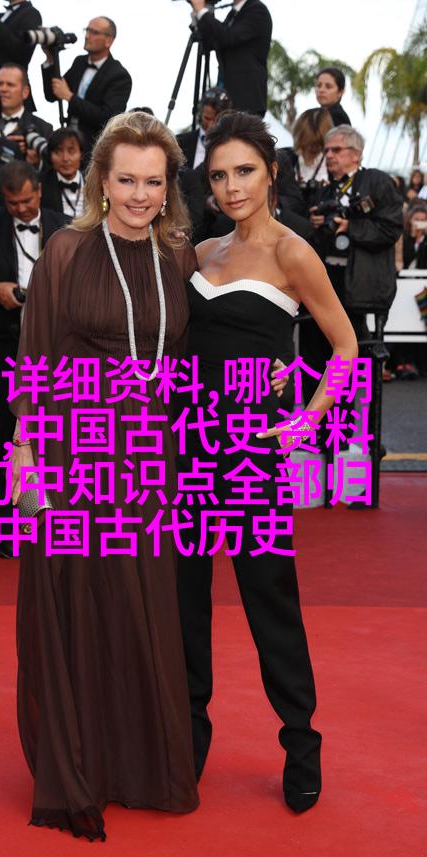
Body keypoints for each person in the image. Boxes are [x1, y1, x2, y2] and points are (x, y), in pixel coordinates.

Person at [9, 111, 201, 841]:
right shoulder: (65, 250)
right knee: (78, 604)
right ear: (101, 181)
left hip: (149, 457)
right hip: (72, 449)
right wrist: (25, 457)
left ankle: (140, 767)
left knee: (140, 606)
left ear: (169, 185)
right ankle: (81, 765)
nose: (140, 195)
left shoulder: (177, 257)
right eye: (126, 180)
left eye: (153, 181)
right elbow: (33, 357)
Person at [177, 111, 358, 812]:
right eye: (219, 175)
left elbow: (344, 345)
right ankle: (189, 737)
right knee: (185, 600)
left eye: (245, 171)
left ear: (272, 173)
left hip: (253, 454)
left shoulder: (293, 252)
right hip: (186, 449)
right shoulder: (201, 252)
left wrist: (307, 417)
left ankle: (301, 741)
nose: (231, 186)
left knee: (269, 599)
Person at [0, 161, 67, 554]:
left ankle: (41, 521)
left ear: (39, 191)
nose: (21, 209)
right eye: (13, 203)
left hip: (53, 355)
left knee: (47, 442)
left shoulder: (66, 226)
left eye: (26, 201)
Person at [307, 124, 403, 390]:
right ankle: (316, 414)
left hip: (357, 284)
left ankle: (342, 416)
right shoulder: (325, 190)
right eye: (327, 150)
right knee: (314, 358)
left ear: (356, 154)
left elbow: (392, 228)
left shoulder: (377, 182)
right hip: (324, 281)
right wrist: (314, 223)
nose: (329, 155)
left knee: (345, 360)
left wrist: (351, 227)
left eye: (336, 150)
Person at [42, 16, 132, 161]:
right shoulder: (79, 62)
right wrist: (50, 60)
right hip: (68, 144)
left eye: (94, 32)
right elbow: (53, 94)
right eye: (87, 30)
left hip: (94, 150)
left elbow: (107, 118)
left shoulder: (119, 75)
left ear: (109, 41)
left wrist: (70, 97)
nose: (87, 36)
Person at [189, 0, 272, 117]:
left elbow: (228, 37)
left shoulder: (257, 10)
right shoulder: (233, 14)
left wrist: (202, 12)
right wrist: (198, 14)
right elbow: (213, 42)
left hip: (246, 99)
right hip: (228, 98)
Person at [0, 64, 52, 164]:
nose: (3, 89)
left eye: (10, 85)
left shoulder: (43, 128)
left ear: (25, 92)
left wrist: (37, 163)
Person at [288, 107, 332, 212]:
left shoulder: (331, 166)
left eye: (318, 144)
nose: (313, 148)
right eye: (308, 142)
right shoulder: (286, 158)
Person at [177, 90, 232, 170]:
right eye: (207, 118)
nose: (211, 125)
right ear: (200, 114)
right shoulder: (180, 143)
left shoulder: (232, 145)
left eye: (217, 120)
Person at [40, 127, 85, 219]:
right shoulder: (41, 184)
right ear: (50, 156)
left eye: (71, 151)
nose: (65, 158)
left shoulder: (95, 182)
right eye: (58, 152)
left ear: (81, 154)